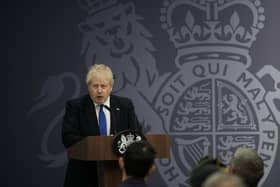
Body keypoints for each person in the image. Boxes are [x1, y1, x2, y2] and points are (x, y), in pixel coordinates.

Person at [62, 64, 141, 187]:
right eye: (95, 86)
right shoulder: (76, 107)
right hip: (83, 175)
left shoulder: (125, 106)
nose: (99, 90)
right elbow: (68, 138)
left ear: (111, 87)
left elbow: (136, 135)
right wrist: (99, 145)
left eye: (103, 86)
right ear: (88, 87)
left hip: (117, 174)